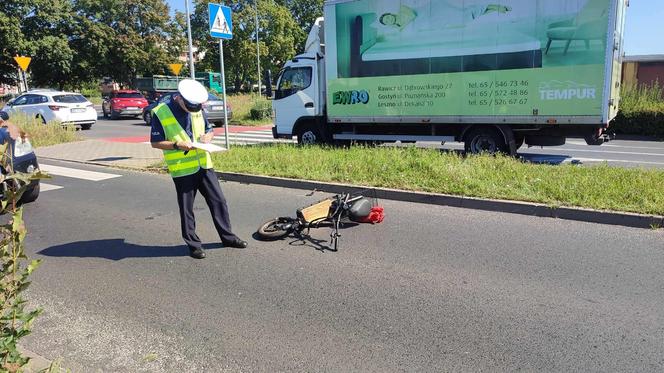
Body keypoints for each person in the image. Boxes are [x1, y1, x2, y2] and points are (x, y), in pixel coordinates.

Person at [150, 79, 247, 259]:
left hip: (204, 164)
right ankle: (193, 245)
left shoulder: (196, 108)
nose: (193, 111)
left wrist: (208, 137)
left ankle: (228, 237)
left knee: (219, 201)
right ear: (179, 98)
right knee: (187, 208)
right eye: (189, 107)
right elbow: (155, 142)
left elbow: (209, 129)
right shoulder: (160, 112)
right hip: (182, 169)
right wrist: (177, 144)